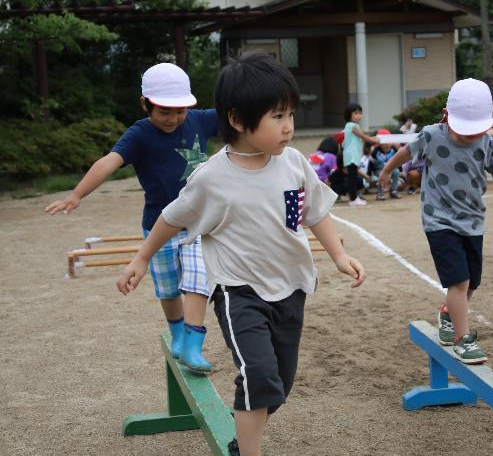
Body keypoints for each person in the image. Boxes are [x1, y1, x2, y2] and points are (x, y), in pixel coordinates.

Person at [116, 52, 366, 456]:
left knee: (279, 387)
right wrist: (142, 258)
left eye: (290, 115)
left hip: (291, 288)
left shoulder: (293, 163)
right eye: (277, 117)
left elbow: (314, 212)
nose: (289, 128)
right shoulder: (212, 177)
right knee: (259, 376)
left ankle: (240, 443)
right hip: (239, 292)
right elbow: (170, 217)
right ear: (237, 119)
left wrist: (338, 256)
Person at [378, 78, 493, 364]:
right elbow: (406, 152)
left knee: (471, 284)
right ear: (448, 115)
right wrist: (386, 171)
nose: (468, 135)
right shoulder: (431, 135)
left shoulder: (487, 144)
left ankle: (447, 314)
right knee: (459, 280)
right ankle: (462, 339)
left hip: (472, 222)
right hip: (438, 220)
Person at [45, 63, 218, 372]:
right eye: (165, 111)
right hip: (158, 226)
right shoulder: (140, 134)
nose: (174, 118)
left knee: (196, 278)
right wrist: (76, 194)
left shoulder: (199, 121)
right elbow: (109, 162)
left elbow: (240, 115)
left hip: (197, 222)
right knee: (167, 288)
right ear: (145, 104)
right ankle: (178, 333)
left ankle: (193, 342)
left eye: (180, 111)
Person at [342, 103, 379, 206]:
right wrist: (374, 139)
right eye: (356, 113)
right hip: (351, 156)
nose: (359, 115)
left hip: (352, 156)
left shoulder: (352, 126)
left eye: (360, 113)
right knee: (352, 179)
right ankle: (353, 199)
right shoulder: (352, 126)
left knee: (353, 177)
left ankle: (354, 198)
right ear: (349, 114)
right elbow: (364, 137)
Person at [372, 129, 401, 200]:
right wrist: (370, 173)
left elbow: (398, 160)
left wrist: (401, 169)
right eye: (384, 142)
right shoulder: (376, 151)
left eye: (388, 141)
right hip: (379, 170)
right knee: (380, 175)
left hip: (391, 169)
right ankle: (380, 193)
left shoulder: (394, 149)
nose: (386, 144)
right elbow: (371, 162)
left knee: (396, 172)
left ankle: (393, 191)